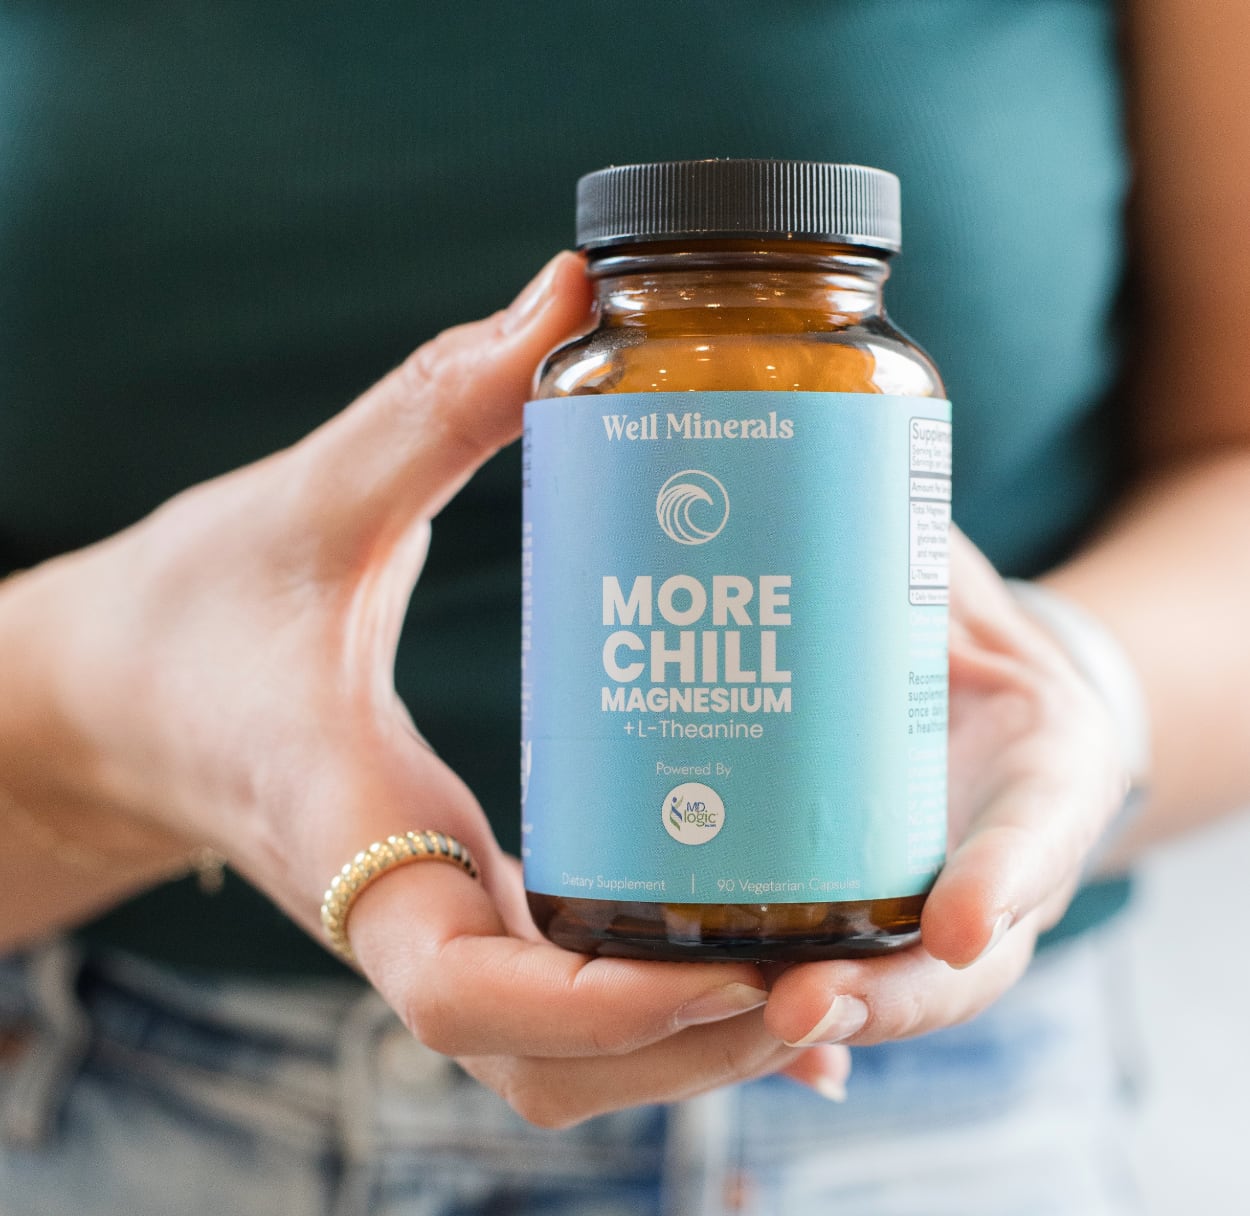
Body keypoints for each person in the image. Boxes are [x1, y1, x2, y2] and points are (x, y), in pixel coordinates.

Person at [1, 1, 1247, 1212]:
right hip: (125, 1113)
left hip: (941, 1118)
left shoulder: (869, 377)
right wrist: (89, 721)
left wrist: (1072, 679)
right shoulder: (602, 373)